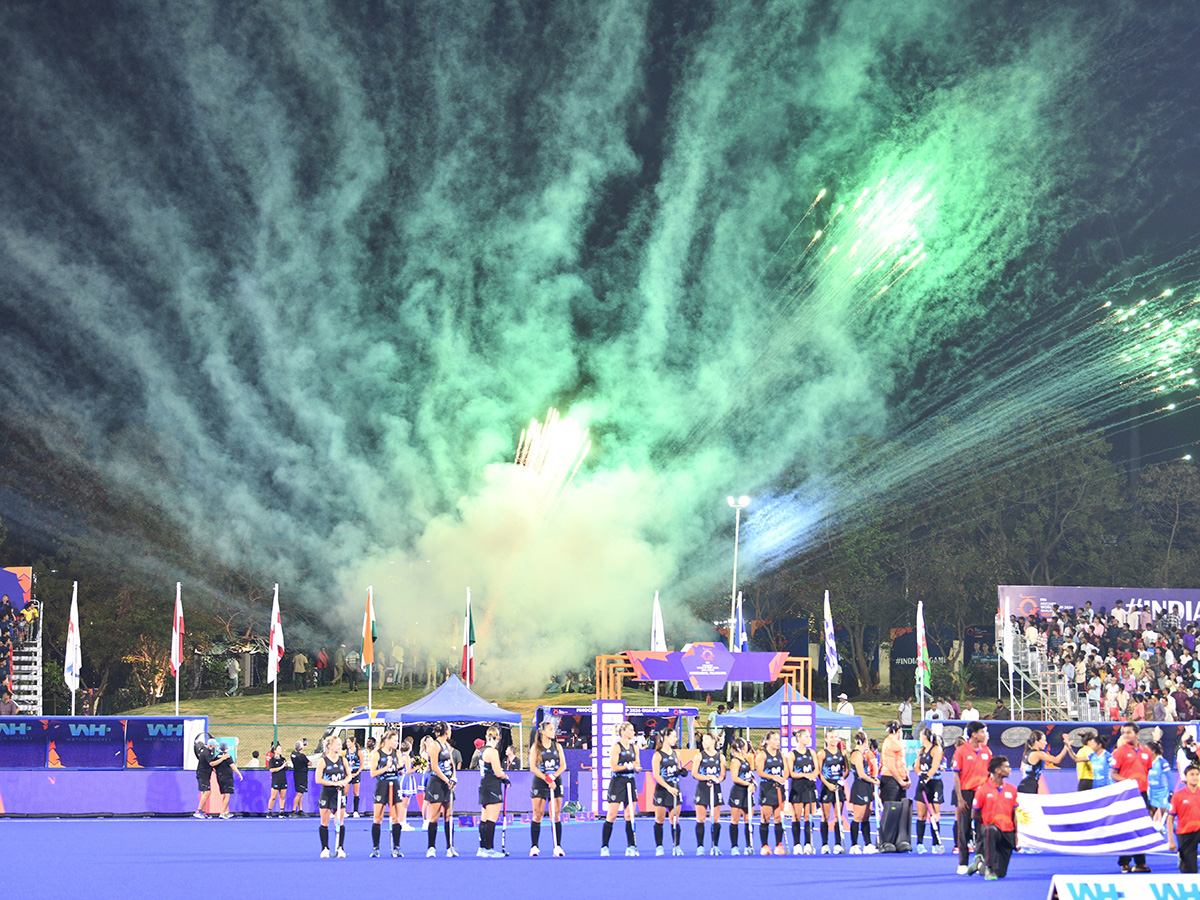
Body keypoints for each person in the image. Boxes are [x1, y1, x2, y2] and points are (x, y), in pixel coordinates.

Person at [969, 756, 1019, 880]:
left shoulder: (1012, 789)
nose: (1010, 769)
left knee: (1001, 873)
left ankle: (979, 864)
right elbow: (974, 815)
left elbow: (1015, 814)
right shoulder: (983, 790)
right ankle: (989, 868)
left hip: (1008, 833)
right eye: (1006, 766)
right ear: (997, 770)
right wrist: (987, 821)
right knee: (989, 830)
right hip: (992, 831)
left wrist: (1017, 836)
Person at [953, 720, 992, 875]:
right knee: (964, 828)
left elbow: (990, 773)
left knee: (983, 828)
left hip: (982, 794)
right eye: (982, 732)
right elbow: (956, 775)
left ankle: (979, 860)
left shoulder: (987, 751)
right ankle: (962, 862)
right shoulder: (961, 751)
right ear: (974, 734)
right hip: (967, 793)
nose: (984, 735)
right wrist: (960, 798)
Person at [601, 721, 641, 857]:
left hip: (630, 781)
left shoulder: (634, 748)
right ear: (624, 732)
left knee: (630, 815)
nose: (633, 732)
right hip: (618, 781)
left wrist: (636, 768)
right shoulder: (616, 747)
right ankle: (605, 846)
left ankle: (631, 846)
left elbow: (637, 764)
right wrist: (628, 766)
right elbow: (614, 767)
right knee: (611, 815)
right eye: (631, 730)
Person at [529, 720, 566, 857]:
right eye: (550, 729)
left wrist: (554, 777)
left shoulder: (557, 746)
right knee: (537, 813)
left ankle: (557, 846)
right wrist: (546, 778)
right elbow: (533, 767)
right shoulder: (536, 748)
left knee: (555, 814)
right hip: (540, 781)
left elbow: (563, 765)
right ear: (543, 732)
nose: (553, 731)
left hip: (555, 781)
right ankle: (534, 846)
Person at [422, 722, 458, 857]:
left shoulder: (447, 746)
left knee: (449, 815)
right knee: (435, 815)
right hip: (437, 783)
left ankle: (450, 847)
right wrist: (446, 780)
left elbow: (451, 763)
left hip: (448, 782)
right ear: (446, 732)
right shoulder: (434, 746)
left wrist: (454, 777)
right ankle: (431, 847)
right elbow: (435, 767)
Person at [369, 730, 407, 857]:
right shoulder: (377, 754)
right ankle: (376, 848)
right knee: (378, 817)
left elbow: (400, 771)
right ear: (387, 740)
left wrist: (401, 767)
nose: (397, 743)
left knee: (396, 817)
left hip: (394, 784)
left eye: (397, 741)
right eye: (395, 740)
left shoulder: (397, 753)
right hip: (382, 785)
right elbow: (373, 773)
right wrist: (386, 767)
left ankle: (396, 847)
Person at [476, 726, 511, 857]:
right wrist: (506, 777)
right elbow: (498, 771)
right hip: (492, 787)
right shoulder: (492, 752)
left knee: (484, 818)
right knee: (491, 819)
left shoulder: (482, 750)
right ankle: (489, 848)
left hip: (484, 785)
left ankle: (482, 848)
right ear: (497, 738)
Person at [316, 734, 350, 858]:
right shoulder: (323, 761)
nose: (340, 746)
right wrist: (333, 783)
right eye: (338, 744)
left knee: (339, 821)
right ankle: (325, 848)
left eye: (341, 744)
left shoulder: (343, 760)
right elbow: (318, 779)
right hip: (327, 793)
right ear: (330, 746)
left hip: (339, 794)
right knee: (324, 821)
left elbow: (349, 775)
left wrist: (345, 781)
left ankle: (340, 847)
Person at [651, 727, 684, 856]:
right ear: (666, 738)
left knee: (675, 819)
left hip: (675, 787)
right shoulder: (657, 755)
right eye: (673, 736)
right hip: (663, 789)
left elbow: (678, 768)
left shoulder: (677, 754)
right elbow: (657, 775)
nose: (675, 739)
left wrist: (681, 772)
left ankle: (677, 845)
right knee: (659, 819)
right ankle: (659, 846)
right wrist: (668, 787)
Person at [755, 730, 788, 856]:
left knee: (778, 817)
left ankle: (779, 845)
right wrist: (773, 777)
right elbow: (760, 772)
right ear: (768, 741)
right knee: (766, 817)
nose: (777, 742)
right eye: (774, 739)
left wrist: (782, 778)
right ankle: (764, 845)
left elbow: (785, 770)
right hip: (767, 788)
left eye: (778, 739)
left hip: (778, 788)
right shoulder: (762, 755)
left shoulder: (781, 755)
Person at [693, 730, 725, 855]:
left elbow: (722, 774)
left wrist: (717, 780)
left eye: (706, 739)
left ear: (713, 741)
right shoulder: (699, 756)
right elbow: (695, 773)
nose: (703, 742)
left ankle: (715, 845)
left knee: (715, 819)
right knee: (700, 818)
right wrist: (707, 778)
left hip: (715, 788)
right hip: (703, 788)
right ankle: (700, 846)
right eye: (703, 740)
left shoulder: (720, 756)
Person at [913, 728, 945, 853]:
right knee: (921, 815)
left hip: (934, 784)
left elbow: (934, 766)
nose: (919, 738)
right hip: (923, 784)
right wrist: (920, 774)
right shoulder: (921, 750)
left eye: (920, 736)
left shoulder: (936, 750)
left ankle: (935, 844)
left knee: (934, 815)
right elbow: (916, 766)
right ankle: (920, 844)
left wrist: (926, 778)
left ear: (925, 737)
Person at [788, 727, 819, 855]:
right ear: (799, 738)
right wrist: (804, 775)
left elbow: (816, 768)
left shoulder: (811, 753)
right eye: (806, 736)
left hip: (809, 787)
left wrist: (813, 775)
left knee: (808, 816)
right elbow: (791, 773)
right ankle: (796, 844)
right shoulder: (792, 754)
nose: (808, 738)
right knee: (796, 816)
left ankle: (808, 843)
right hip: (798, 786)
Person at [848, 731, 880, 854]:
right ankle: (854, 845)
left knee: (866, 817)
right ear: (864, 742)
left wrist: (873, 780)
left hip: (867, 785)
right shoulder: (857, 755)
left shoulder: (862, 754)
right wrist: (873, 780)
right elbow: (861, 774)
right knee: (858, 817)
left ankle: (868, 844)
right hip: (860, 786)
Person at [816, 731, 848, 855]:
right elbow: (819, 772)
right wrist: (828, 784)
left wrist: (841, 779)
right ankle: (824, 844)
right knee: (825, 816)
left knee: (837, 816)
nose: (834, 739)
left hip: (838, 787)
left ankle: (838, 844)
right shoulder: (822, 753)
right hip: (827, 787)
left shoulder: (842, 753)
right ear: (826, 740)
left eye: (835, 737)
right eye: (831, 737)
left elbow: (846, 770)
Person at [1168, 763, 1200, 874]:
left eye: (1197, 774)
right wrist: (1171, 841)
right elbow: (1170, 819)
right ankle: (1183, 859)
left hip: (1199, 830)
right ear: (1185, 777)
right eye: (1192, 774)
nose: (1195, 777)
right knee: (1191, 871)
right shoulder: (1178, 796)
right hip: (1185, 833)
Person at [1018, 730, 1070, 794]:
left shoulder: (1026, 753)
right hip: (1030, 788)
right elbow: (1057, 760)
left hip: (1023, 786)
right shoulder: (1038, 754)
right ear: (1037, 742)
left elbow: (1022, 769)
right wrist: (1066, 746)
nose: (1045, 743)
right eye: (1044, 740)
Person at [727, 737, 755, 855]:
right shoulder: (735, 761)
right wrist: (747, 783)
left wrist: (752, 782)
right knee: (735, 820)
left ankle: (749, 845)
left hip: (748, 791)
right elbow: (735, 778)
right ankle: (734, 846)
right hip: (739, 791)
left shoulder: (746, 760)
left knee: (749, 819)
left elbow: (749, 774)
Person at [879, 721, 910, 803]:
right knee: (892, 809)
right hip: (891, 780)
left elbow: (901, 763)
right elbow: (891, 765)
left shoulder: (894, 742)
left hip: (897, 779)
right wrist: (901, 781)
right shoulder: (892, 743)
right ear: (899, 730)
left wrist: (906, 779)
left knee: (899, 809)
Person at [213, 741, 243, 818]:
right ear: (226, 748)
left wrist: (218, 772)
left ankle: (226, 811)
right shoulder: (227, 756)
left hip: (220, 777)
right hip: (227, 777)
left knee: (225, 794)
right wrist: (239, 774)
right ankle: (222, 812)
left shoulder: (217, 757)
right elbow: (232, 766)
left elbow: (213, 766)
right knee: (227, 795)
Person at [1146, 741, 1172, 825]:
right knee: (1151, 813)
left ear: (1153, 751)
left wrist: (1171, 792)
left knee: (1165, 815)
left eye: (1147, 749)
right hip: (1151, 792)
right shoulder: (1146, 762)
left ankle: (1175, 829)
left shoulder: (1162, 762)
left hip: (1162, 792)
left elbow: (1170, 778)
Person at [193, 737, 219, 819]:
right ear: (212, 745)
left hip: (205, 774)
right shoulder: (207, 752)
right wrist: (222, 759)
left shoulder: (208, 751)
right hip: (203, 774)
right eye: (215, 745)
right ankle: (199, 811)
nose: (216, 746)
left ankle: (203, 811)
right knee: (207, 792)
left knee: (205, 792)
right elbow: (211, 763)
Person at [267, 742, 289, 817]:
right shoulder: (272, 760)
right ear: (275, 751)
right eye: (279, 749)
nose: (280, 750)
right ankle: (269, 811)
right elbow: (271, 770)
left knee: (282, 797)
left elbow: (286, 769)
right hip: (276, 780)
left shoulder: (283, 759)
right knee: (273, 797)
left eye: (281, 749)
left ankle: (282, 811)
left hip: (283, 780)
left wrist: (286, 765)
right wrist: (281, 767)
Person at [290, 739, 311, 816]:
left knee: (301, 793)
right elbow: (310, 763)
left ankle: (300, 809)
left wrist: (301, 745)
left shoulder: (293, 754)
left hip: (297, 774)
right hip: (302, 775)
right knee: (299, 793)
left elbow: (296, 750)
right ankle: (293, 811)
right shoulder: (302, 756)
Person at [344, 735, 363, 817]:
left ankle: (355, 811)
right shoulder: (345, 752)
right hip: (348, 773)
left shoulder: (359, 752)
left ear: (353, 742)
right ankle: (343, 810)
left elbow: (362, 765)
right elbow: (343, 763)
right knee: (345, 792)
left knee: (356, 792)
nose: (347, 743)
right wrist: (348, 773)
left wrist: (357, 773)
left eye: (348, 742)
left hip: (356, 773)